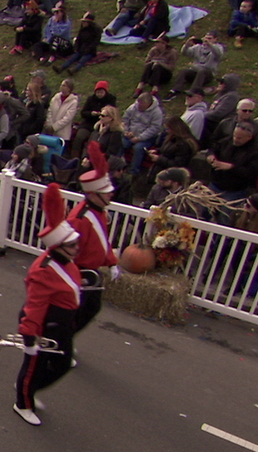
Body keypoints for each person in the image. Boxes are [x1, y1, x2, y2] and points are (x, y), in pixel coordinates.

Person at [13, 183, 82, 426]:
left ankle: (28, 389)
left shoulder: (67, 262)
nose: (77, 248)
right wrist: (29, 336)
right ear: (58, 246)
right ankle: (22, 402)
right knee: (34, 365)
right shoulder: (43, 271)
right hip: (44, 324)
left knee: (62, 364)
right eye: (72, 245)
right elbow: (35, 305)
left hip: (61, 323)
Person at [68, 143, 119, 337]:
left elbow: (102, 241)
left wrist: (112, 262)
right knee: (74, 313)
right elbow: (70, 250)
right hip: (80, 272)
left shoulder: (99, 213)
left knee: (89, 310)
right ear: (94, 194)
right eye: (106, 192)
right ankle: (63, 343)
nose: (111, 194)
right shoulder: (79, 219)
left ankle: (66, 340)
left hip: (91, 272)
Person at [208, 122, 258, 202]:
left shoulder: (256, 152)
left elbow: (251, 172)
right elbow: (213, 149)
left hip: (235, 190)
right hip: (216, 184)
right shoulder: (226, 141)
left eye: (239, 138)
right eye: (235, 136)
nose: (235, 139)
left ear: (249, 137)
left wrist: (231, 167)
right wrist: (211, 155)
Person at [169, 32, 225, 97]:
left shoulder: (218, 47)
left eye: (210, 38)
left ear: (215, 39)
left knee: (202, 71)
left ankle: (194, 90)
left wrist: (210, 45)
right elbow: (185, 53)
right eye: (206, 38)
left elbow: (219, 54)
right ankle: (176, 89)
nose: (206, 40)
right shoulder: (198, 47)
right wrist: (187, 45)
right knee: (184, 71)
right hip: (195, 71)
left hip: (208, 73)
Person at [121, 93, 164, 175]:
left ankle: (134, 171)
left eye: (142, 105)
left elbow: (154, 129)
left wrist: (140, 138)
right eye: (138, 103)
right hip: (131, 133)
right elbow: (125, 119)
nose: (139, 106)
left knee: (138, 148)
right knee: (122, 142)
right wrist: (126, 131)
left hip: (147, 137)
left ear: (148, 104)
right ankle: (117, 166)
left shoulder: (157, 112)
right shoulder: (133, 107)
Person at [46, 79, 80, 143]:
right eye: (61, 85)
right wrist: (49, 124)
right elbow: (50, 111)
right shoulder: (55, 98)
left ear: (69, 88)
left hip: (63, 134)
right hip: (50, 132)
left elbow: (67, 118)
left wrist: (54, 127)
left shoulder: (73, 102)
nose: (61, 87)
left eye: (64, 85)